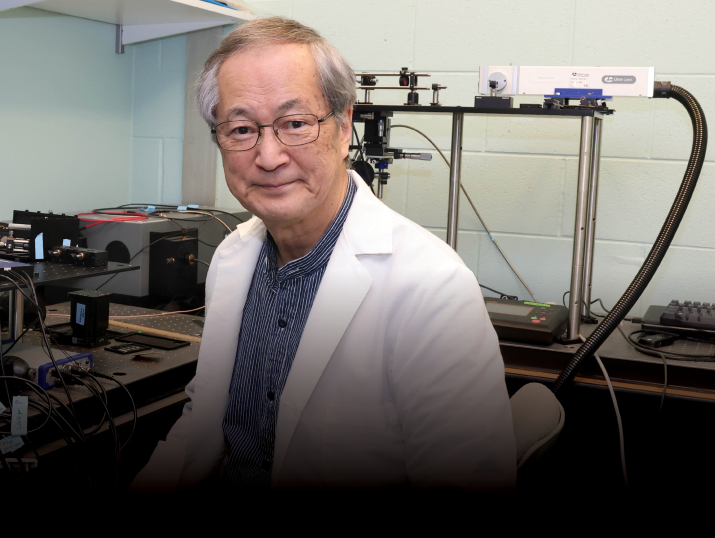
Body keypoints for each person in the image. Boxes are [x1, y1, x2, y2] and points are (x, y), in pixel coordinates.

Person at [132, 17, 515, 491]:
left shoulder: (432, 286)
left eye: (295, 124)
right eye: (242, 129)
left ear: (342, 124)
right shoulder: (234, 257)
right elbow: (206, 416)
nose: (269, 156)